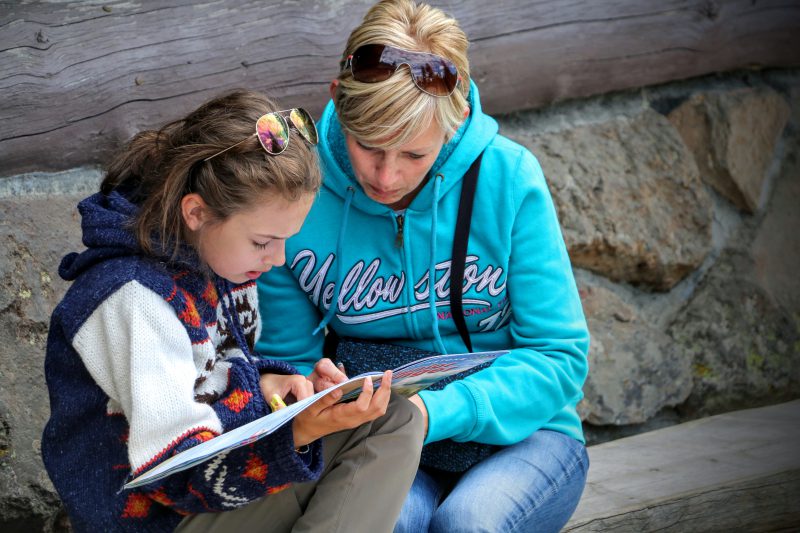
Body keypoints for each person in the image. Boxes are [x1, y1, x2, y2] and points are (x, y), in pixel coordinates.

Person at [255, 1, 591, 531]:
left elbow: (559, 358)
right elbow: (285, 361)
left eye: (413, 155)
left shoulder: (510, 179)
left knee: (468, 523)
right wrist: (307, 392)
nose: (387, 177)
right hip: (378, 439)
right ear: (338, 100)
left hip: (528, 434)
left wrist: (432, 413)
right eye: (368, 147)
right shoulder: (299, 191)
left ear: (454, 119)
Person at [41, 89, 423, 532]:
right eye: (264, 241)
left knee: (392, 415)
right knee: (383, 426)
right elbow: (177, 474)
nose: (278, 259)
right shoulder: (132, 300)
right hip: (162, 520)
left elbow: (212, 380)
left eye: (286, 240)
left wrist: (273, 387)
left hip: (210, 502)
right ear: (196, 212)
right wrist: (298, 433)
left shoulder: (223, 264)